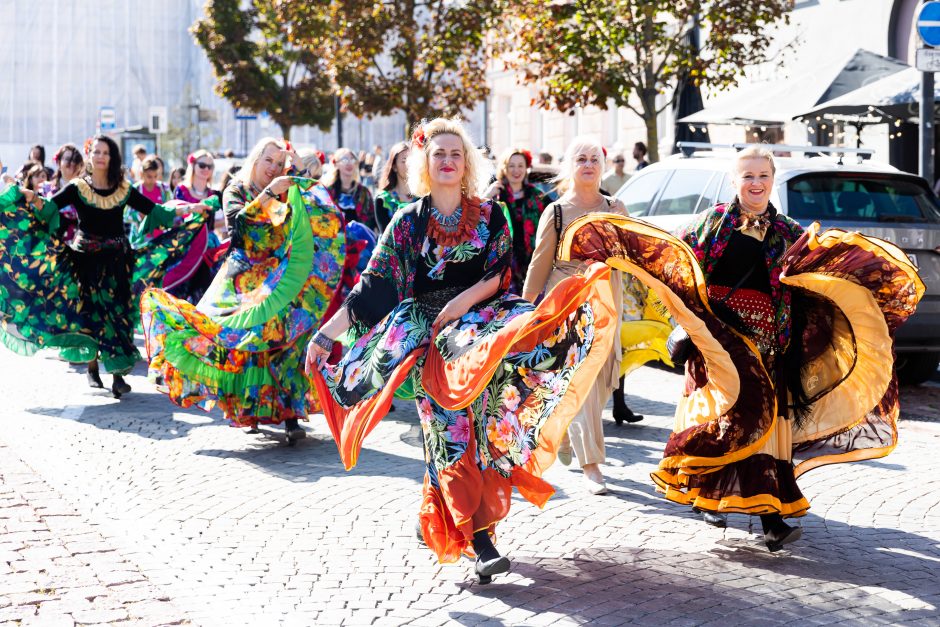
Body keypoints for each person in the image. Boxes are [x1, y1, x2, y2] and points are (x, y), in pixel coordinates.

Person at [557, 146, 924, 551]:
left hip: (768, 345)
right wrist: (689, 323)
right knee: (724, 423)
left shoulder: (787, 232)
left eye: (763, 176)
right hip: (718, 344)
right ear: (734, 181)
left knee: (766, 428)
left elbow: (811, 279)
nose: (756, 183)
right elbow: (676, 271)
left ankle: (772, 519)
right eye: (747, 176)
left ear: (772, 179)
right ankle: (716, 496)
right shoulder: (711, 224)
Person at [305, 118, 618, 583]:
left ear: (467, 161)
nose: (448, 160)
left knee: (485, 433)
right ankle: (480, 542)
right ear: (425, 164)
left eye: (456, 153)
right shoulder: (407, 221)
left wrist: (460, 303)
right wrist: (325, 334)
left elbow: (498, 274)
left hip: (481, 333)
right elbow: (374, 285)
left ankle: (442, 511)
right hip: (428, 338)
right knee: (448, 433)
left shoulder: (492, 215)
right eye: (438, 154)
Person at [140, 137, 345, 443]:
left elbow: (317, 202)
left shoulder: (290, 192)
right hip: (242, 279)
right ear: (255, 159)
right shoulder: (236, 188)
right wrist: (270, 192)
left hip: (281, 276)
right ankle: (250, 411)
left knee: (285, 342)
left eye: (279, 164)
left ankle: (289, 415)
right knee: (240, 342)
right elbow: (240, 225)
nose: (273, 168)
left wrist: (297, 169)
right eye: (269, 161)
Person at [0, 135, 203, 398]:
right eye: (96, 151)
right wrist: (27, 195)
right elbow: (50, 208)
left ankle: (118, 376)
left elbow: (155, 210)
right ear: (90, 156)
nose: (100, 156)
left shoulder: (123, 188)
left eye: (105, 152)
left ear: (112, 157)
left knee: (118, 315)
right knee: (91, 315)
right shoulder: (77, 187)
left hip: (118, 262)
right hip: (85, 262)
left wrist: (190, 209)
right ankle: (93, 366)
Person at [522, 138, 625, 495]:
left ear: (603, 165)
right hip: (566, 303)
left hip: (607, 299)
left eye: (594, 158)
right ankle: (592, 465)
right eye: (580, 158)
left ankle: (565, 433)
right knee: (582, 377)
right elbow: (539, 264)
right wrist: (526, 311)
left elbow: (631, 255)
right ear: (570, 166)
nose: (588, 164)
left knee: (600, 381)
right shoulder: (557, 211)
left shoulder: (615, 207)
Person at [484, 148, 547, 294]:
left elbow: (557, 214)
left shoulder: (537, 195)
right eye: (511, 165)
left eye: (520, 166)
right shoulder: (497, 194)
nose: (516, 170)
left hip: (532, 261)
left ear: (526, 169)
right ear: (504, 168)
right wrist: (486, 197)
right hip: (503, 261)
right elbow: (477, 217)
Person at [43, 144, 85, 241]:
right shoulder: (45, 189)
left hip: (79, 246)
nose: (72, 163)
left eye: (75, 160)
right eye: (67, 159)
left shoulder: (87, 191)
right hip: (51, 244)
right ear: (58, 163)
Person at [373, 141, 414, 233]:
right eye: (404, 161)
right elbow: (385, 234)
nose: (409, 164)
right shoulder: (383, 199)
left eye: (412, 160)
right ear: (394, 166)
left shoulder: (425, 197)